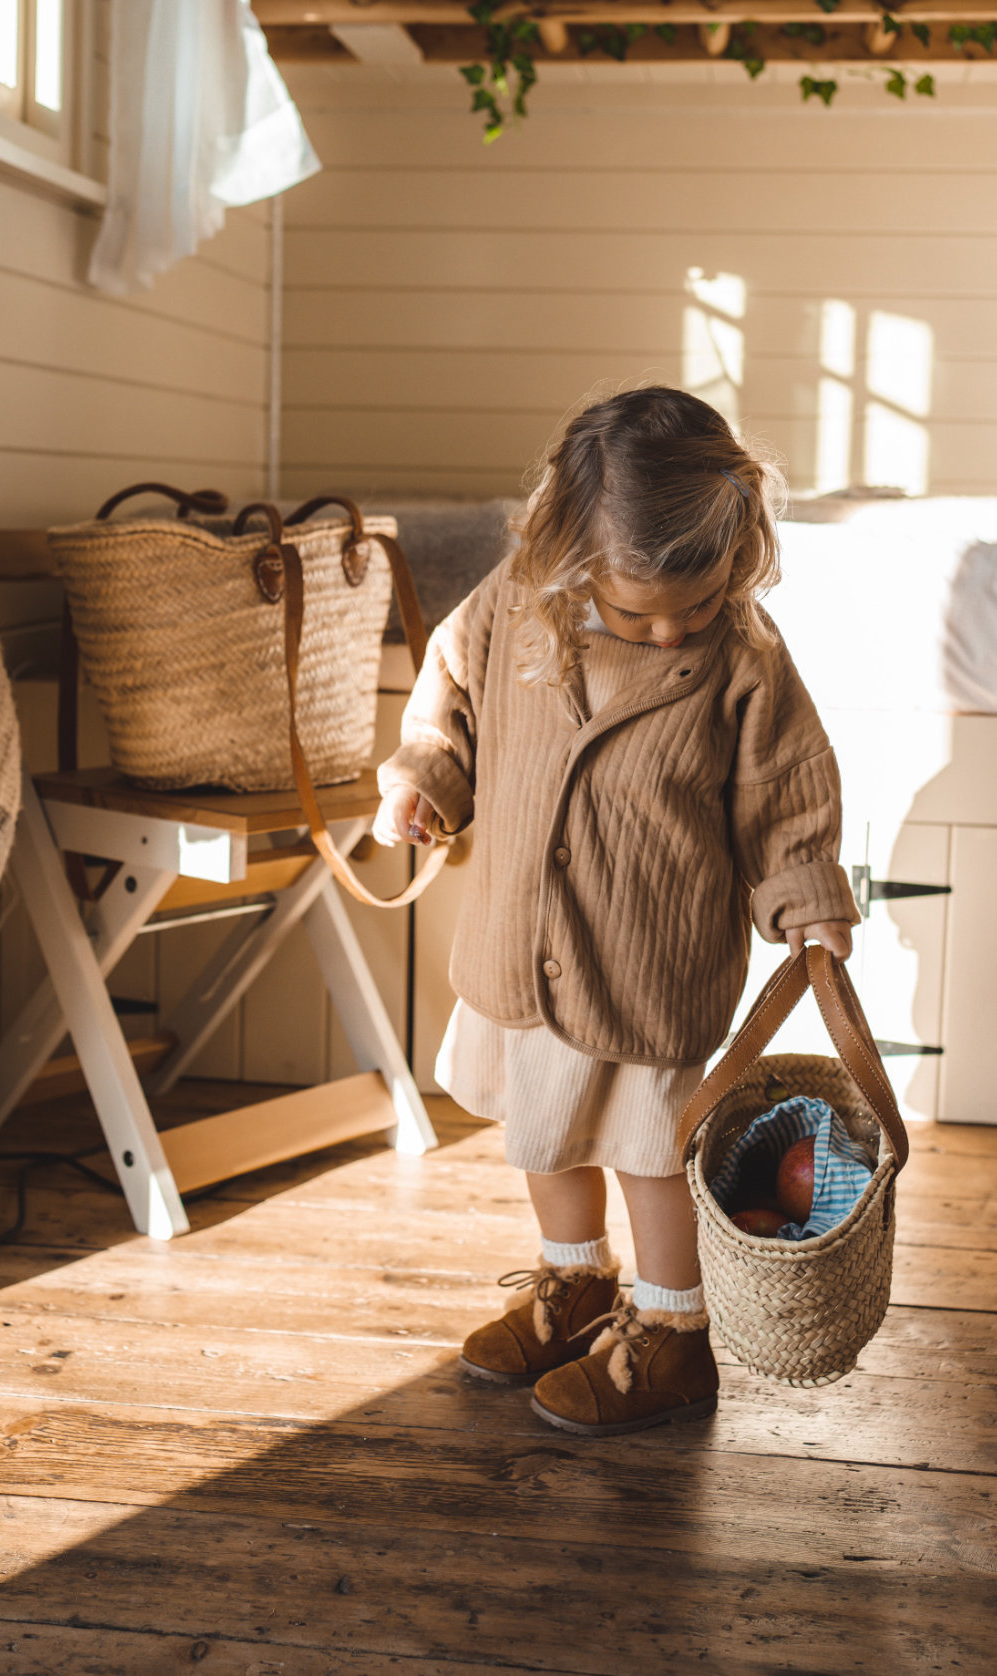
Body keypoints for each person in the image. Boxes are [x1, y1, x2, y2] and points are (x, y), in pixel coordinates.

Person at [373, 387, 856, 1438]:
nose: (670, 625)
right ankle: (573, 1286)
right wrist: (425, 781)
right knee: (543, 1140)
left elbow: (784, 794)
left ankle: (673, 1334)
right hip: (523, 940)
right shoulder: (509, 605)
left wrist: (807, 900)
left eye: (696, 597)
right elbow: (447, 705)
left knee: (646, 1151)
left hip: (651, 959)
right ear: (565, 548)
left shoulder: (741, 655)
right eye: (640, 612)